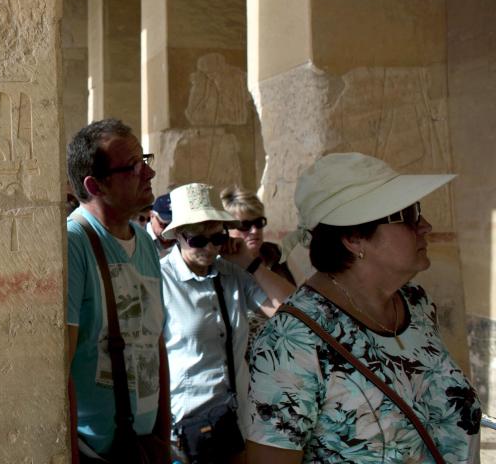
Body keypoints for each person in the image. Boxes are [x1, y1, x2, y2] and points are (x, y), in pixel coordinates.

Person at [247, 153, 481, 464]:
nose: (425, 226)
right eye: (408, 214)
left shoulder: (414, 302)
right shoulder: (292, 343)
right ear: (354, 237)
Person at [160, 183, 295, 464]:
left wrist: (249, 262)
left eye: (217, 237)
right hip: (185, 430)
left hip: (235, 422)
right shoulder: (160, 279)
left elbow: (292, 313)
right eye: (198, 240)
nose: (210, 248)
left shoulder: (231, 273)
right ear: (178, 237)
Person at [66, 118, 170, 462]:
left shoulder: (143, 240)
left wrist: (162, 434)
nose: (149, 174)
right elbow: (60, 368)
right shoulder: (74, 243)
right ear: (95, 185)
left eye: (146, 161)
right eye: (133, 167)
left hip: (144, 447)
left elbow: (156, 343)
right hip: (94, 452)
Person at [221, 186, 296, 354]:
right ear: (225, 229)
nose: (254, 231)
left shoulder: (274, 254)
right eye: (245, 225)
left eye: (259, 223)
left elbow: (298, 306)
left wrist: (253, 264)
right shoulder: (220, 267)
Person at [145, 193, 177, 258]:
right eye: (164, 224)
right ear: (151, 216)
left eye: (173, 225)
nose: (169, 229)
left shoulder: (183, 239)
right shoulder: (136, 238)